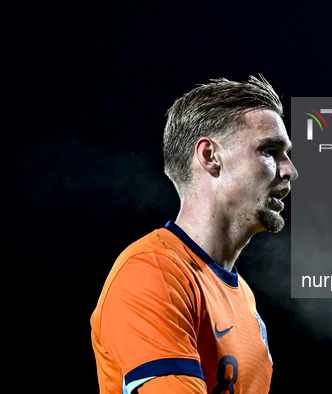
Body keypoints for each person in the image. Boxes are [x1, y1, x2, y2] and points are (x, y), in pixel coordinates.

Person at [90, 75, 297, 394]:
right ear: (210, 156)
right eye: (270, 151)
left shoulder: (241, 293)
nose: (289, 171)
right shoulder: (152, 273)